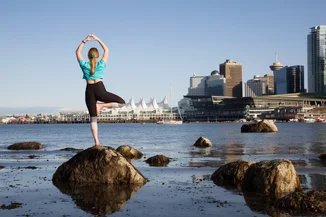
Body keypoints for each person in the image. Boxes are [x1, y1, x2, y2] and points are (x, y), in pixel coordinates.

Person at [76, 34, 125, 146]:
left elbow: (77, 52)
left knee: (93, 118)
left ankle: (97, 142)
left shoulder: (84, 64)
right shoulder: (101, 64)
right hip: (100, 89)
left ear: (88, 56)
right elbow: (106, 50)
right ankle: (101, 105)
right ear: (97, 56)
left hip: (89, 91)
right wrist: (97, 39)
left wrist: (84, 41)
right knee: (122, 103)